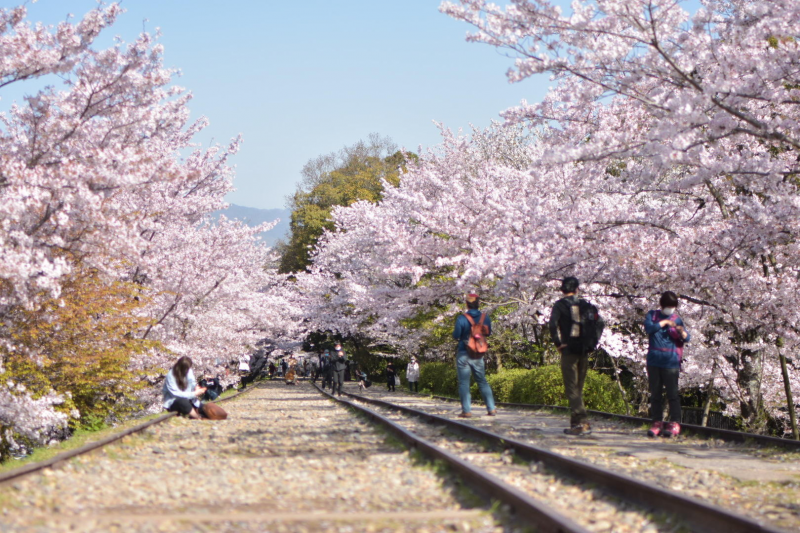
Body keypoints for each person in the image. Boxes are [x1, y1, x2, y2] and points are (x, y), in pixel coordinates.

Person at [548, 277, 605, 435]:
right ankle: (575, 424)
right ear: (577, 289)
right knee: (578, 388)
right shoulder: (585, 305)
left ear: (562, 290)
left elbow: (552, 324)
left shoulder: (560, 305)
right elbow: (600, 322)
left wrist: (558, 343)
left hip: (569, 350)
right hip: (584, 350)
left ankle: (582, 422)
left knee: (572, 389)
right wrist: (593, 343)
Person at [644, 291, 691, 438]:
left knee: (672, 394)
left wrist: (681, 333)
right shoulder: (652, 315)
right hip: (654, 360)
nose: (670, 309)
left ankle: (675, 422)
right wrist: (664, 323)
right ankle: (657, 421)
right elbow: (648, 328)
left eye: (672, 306)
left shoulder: (677, 319)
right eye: (668, 306)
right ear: (662, 305)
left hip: (671, 362)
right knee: (655, 393)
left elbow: (686, 337)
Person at [452, 293, 497, 418]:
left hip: (463, 352)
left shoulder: (461, 318)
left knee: (464, 383)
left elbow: (456, 335)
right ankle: (491, 408)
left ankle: (466, 410)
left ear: (467, 303)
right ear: (478, 303)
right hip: (478, 354)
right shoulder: (485, 317)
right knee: (482, 381)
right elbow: (488, 333)